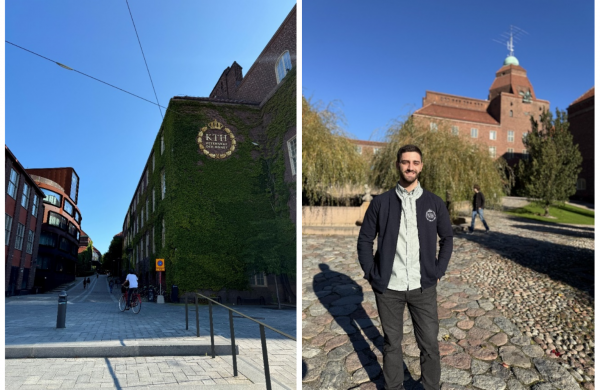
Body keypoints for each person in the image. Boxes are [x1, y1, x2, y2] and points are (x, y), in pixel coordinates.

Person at [357, 144, 453, 390]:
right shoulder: (381, 203)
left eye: (415, 162)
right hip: (389, 288)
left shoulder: (434, 202)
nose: (410, 167)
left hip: (423, 287)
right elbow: (365, 239)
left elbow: (447, 238)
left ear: (421, 166)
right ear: (398, 165)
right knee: (392, 343)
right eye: (406, 162)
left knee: (430, 343)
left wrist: (438, 271)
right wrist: (372, 274)